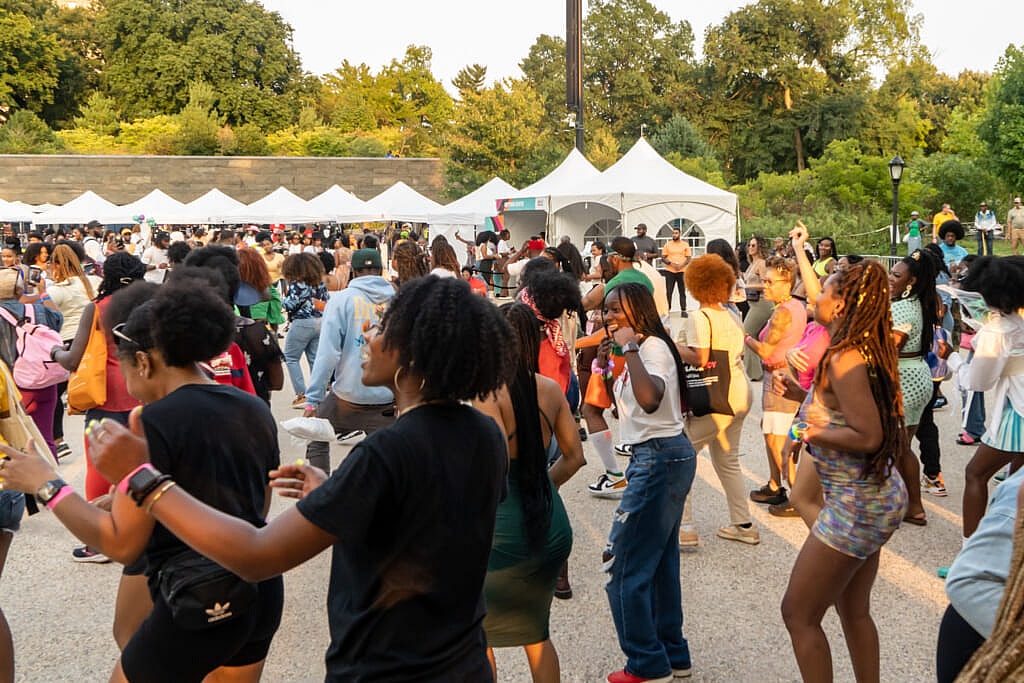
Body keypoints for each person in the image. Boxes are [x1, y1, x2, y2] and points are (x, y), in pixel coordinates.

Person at [83, 275, 514, 682]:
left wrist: (143, 478)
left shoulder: (386, 452)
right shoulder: (484, 432)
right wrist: (336, 495)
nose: (366, 335)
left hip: (385, 668)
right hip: (464, 662)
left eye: (382, 327)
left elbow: (257, 555)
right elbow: (430, 527)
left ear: (413, 352)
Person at [0, 277, 285, 682]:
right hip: (260, 586)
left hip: (196, 594)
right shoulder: (250, 406)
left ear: (145, 362)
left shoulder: (149, 422)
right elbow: (253, 505)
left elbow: (121, 543)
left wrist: (47, 484)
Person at [779, 259, 908, 683]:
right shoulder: (852, 349)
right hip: (871, 496)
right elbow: (846, 415)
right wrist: (804, 397)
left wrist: (805, 428)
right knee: (854, 610)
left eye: (824, 291)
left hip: (858, 503)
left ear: (839, 306)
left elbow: (867, 435)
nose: (815, 295)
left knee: (798, 614)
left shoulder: (844, 357)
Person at [474, 302, 584, 682]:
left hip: (499, 531)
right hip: (547, 521)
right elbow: (575, 457)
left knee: (480, 636)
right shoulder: (551, 390)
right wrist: (543, 485)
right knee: (536, 633)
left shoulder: (484, 396)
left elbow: (490, 470)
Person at [601, 281, 696, 683]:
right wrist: (610, 365)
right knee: (658, 565)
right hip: (659, 455)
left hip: (658, 458)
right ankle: (673, 654)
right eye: (605, 312)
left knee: (621, 566)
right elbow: (628, 408)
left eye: (616, 311)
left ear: (638, 311)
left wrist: (631, 349)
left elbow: (651, 398)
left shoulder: (651, 347)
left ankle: (646, 662)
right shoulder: (643, 350)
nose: (608, 318)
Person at [52, 251, 145, 563]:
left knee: (99, 465)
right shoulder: (154, 303)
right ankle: (145, 529)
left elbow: (73, 358)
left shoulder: (97, 308)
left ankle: (99, 541)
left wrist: (54, 352)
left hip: (107, 395)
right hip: (147, 392)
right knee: (144, 462)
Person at [675, 254, 758, 546]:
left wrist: (673, 346)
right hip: (740, 390)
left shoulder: (700, 316)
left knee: (680, 455)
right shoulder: (731, 314)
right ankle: (743, 524)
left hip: (716, 395)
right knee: (727, 460)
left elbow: (701, 358)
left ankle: (684, 528)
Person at [946, 256, 1024, 541]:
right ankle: (1007, 550)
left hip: (1017, 411)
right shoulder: (1016, 318)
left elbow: (979, 382)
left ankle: (971, 552)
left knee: (975, 474)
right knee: (1015, 485)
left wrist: (951, 358)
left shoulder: (996, 330)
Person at [303, 248, 396, 472]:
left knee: (316, 438)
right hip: (388, 399)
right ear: (381, 270)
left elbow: (328, 352)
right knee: (391, 459)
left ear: (353, 271)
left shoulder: (341, 300)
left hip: (348, 397)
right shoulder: (399, 300)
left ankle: (320, 489)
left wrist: (313, 399)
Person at [937, 467, 1024, 682]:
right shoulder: (1015, 497)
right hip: (978, 632)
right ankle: (969, 547)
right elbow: (967, 581)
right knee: (975, 471)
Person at [745, 255, 806, 508]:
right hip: (783, 374)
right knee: (772, 430)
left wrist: (744, 337)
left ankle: (795, 495)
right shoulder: (795, 306)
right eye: (764, 281)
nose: (765, 286)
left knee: (777, 437)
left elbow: (767, 351)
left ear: (786, 282)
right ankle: (775, 484)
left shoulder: (783, 312)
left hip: (780, 376)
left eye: (770, 282)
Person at [888, 249, 940, 526]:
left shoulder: (904, 308)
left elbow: (891, 346)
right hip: (916, 374)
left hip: (904, 379)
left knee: (898, 447)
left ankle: (910, 507)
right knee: (902, 447)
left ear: (911, 281)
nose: (889, 278)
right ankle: (912, 506)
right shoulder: (919, 302)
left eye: (896, 275)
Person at [46, 243, 101, 460]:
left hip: (67, 340)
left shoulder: (55, 290)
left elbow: (49, 316)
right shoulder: (90, 282)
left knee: (54, 393)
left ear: (56, 265)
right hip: (92, 340)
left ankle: (58, 440)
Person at [280, 253, 328, 409]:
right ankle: (318, 395)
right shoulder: (320, 283)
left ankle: (302, 394)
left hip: (302, 322)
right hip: (319, 321)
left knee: (291, 357)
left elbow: (290, 304)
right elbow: (326, 299)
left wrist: (282, 301)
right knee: (314, 358)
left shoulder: (296, 284)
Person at [741, 236, 771, 380]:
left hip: (762, 303)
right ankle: (756, 370)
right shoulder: (752, 263)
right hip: (753, 303)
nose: (750, 248)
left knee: (747, 333)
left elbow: (767, 285)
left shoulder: (762, 264)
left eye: (753, 245)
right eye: (749, 245)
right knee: (752, 335)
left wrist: (746, 286)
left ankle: (754, 373)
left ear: (760, 247)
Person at [660, 228, 690, 313]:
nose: (674, 235)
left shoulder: (685, 244)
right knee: (669, 292)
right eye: (673, 233)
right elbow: (663, 257)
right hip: (670, 271)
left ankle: (683, 310)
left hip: (682, 271)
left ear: (680, 234)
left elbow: (688, 258)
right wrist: (671, 264)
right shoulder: (668, 245)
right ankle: (667, 310)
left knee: (682, 292)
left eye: (676, 233)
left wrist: (681, 265)